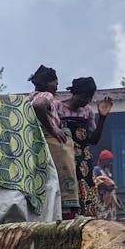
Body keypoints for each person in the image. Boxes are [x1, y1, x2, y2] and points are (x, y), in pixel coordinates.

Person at [58, 77, 114, 218]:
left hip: (84, 162)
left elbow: (93, 140)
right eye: (84, 96)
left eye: (89, 97)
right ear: (75, 93)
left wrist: (102, 118)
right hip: (64, 159)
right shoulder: (58, 108)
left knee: (87, 198)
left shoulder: (87, 111)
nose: (87, 100)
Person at [29, 65, 78, 219]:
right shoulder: (47, 96)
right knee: (63, 174)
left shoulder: (28, 97)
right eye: (55, 81)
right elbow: (38, 106)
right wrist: (54, 129)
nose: (57, 85)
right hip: (51, 142)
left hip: (35, 144)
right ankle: (66, 212)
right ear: (46, 83)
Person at [93, 149, 121, 220]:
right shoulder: (96, 170)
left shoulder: (107, 171)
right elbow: (95, 182)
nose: (110, 163)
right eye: (109, 160)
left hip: (109, 199)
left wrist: (116, 198)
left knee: (110, 218)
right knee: (102, 218)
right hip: (101, 199)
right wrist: (105, 187)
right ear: (103, 160)